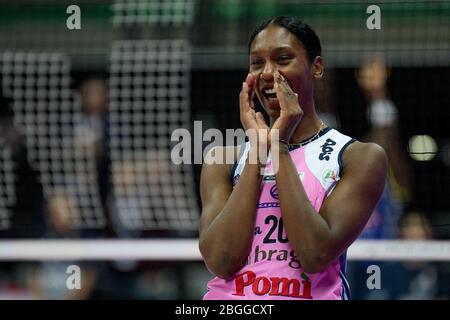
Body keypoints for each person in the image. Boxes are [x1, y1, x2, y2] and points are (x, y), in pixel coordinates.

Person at [198, 16, 387, 300]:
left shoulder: (359, 157)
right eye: (257, 63)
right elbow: (221, 261)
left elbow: (314, 254)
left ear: (317, 67)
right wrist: (259, 151)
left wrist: (280, 147)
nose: (268, 73)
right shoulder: (222, 160)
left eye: (283, 59)